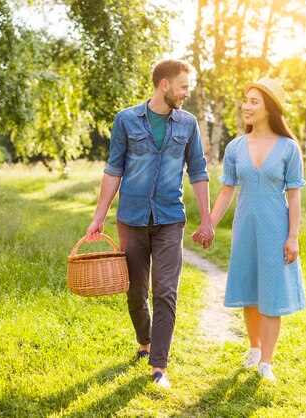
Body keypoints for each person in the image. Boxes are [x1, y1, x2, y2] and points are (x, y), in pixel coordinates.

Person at [85, 59, 214, 388]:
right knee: (136, 291)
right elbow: (114, 168)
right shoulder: (127, 120)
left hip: (171, 218)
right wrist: (99, 216)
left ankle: (159, 366)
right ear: (165, 85)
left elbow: (198, 171)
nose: (188, 93)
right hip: (132, 218)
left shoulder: (188, 124)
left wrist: (208, 220)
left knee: (166, 292)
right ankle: (144, 340)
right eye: (183, 86)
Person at [193, 76, 306, 381]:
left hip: (276, 227)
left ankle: (266, 363)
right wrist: (209, 224)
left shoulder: (288, 148)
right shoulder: (235, 147)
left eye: (254, 101)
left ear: (269, 108)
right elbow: (227, 190)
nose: (247, 106)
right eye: (245, 100)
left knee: (271, 293)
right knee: (250, 289)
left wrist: (293, 236)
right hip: (245, 226)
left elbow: (294, 194)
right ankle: (254, 349)